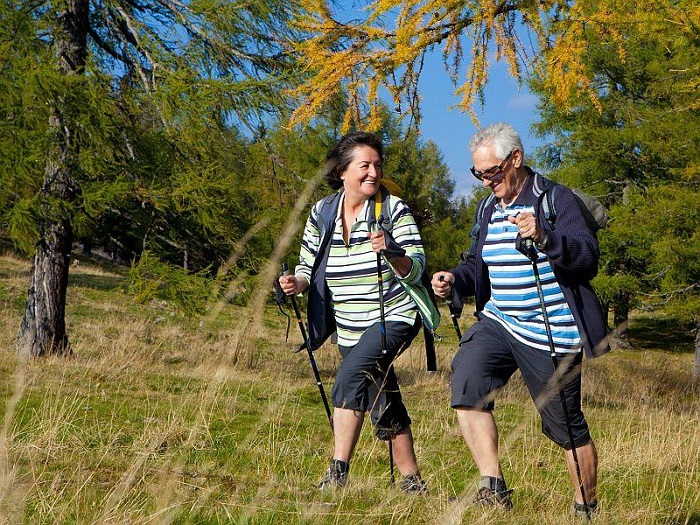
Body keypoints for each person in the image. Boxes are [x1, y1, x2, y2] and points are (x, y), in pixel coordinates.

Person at [431, 122, 609, 518]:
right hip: (499, 321)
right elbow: (477, 263)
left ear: (516, 159)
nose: (484, 181)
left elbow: (587, 259)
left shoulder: (555, 200)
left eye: (491, 172)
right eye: (478, 174)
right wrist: (453, 279)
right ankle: (492, 487)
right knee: (467, 381)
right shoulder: (488, 207)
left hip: (550, 330)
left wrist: (546, 238)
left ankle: (586, 508)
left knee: (564, 424)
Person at [279, 131, 427, 494]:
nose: (373, 173)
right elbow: (307, 265)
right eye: (365, 166)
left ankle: (338, 471)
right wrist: (295, 283)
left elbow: (418, 267)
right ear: (343, 171)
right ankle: (412, 482)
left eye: (377, 165)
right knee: (382, 397)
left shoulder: (393, 210)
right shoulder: (322, 211)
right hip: (348, 326)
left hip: (394, 317)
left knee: (350, 375)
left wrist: (392, 251)